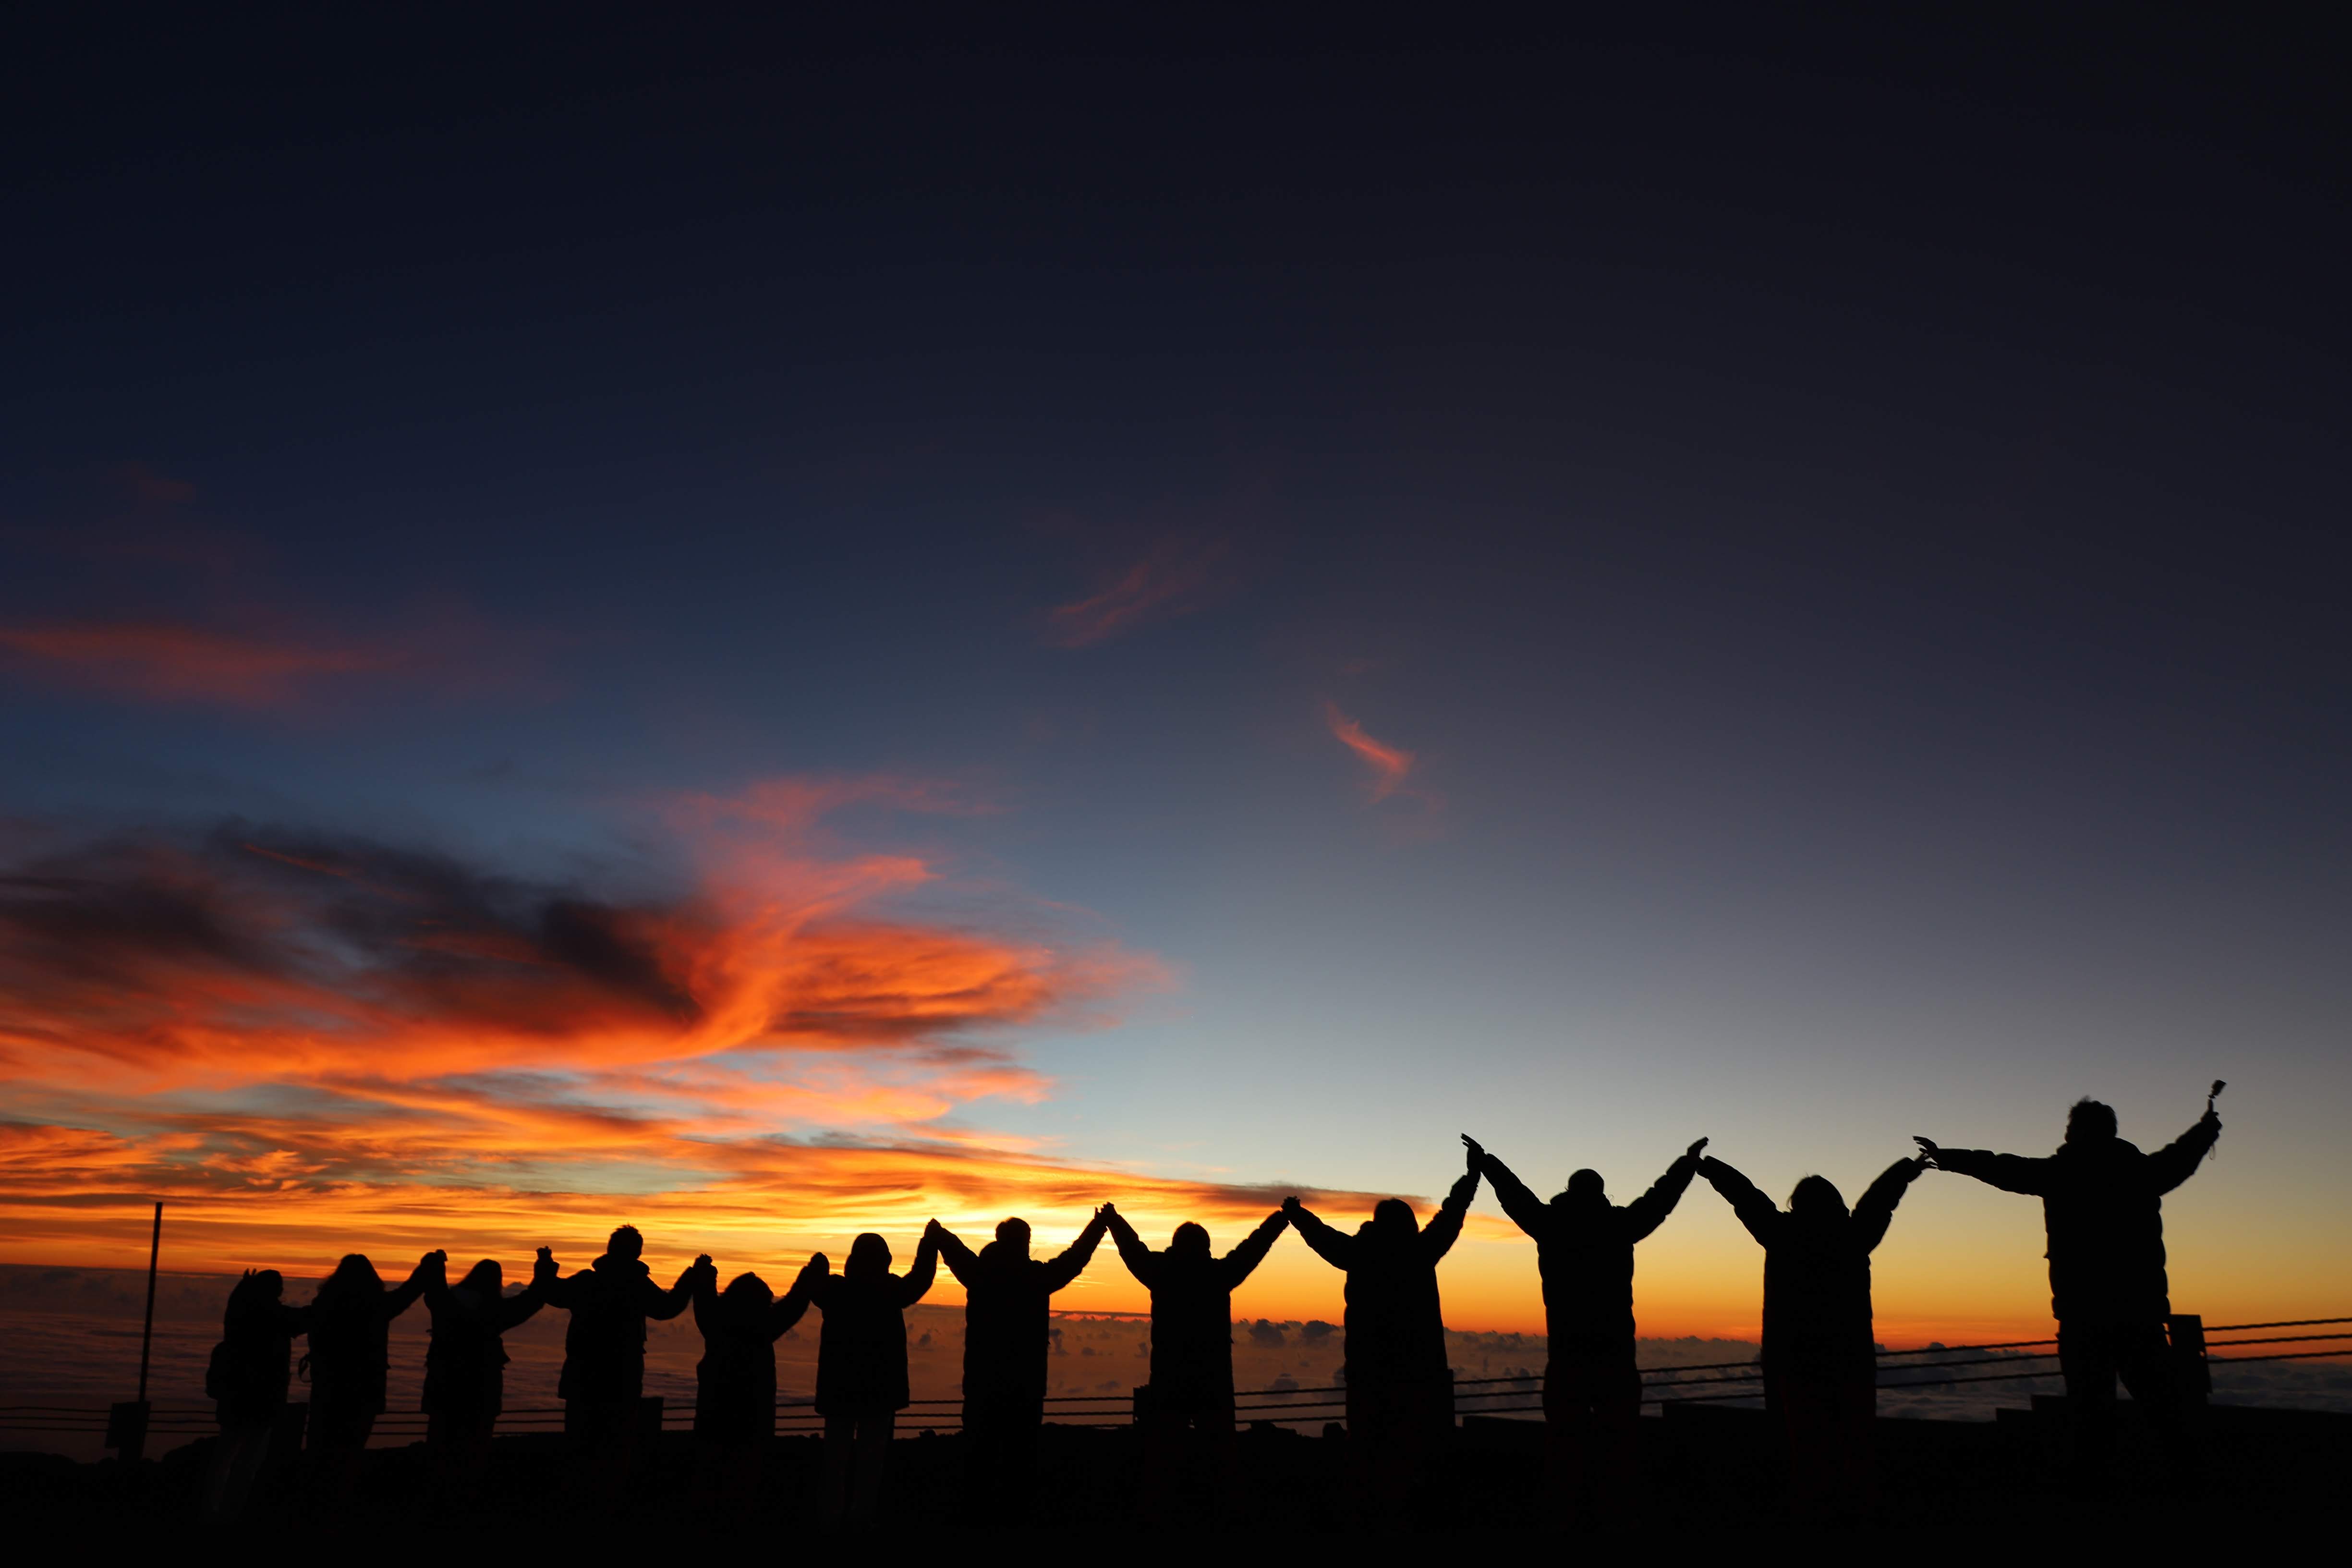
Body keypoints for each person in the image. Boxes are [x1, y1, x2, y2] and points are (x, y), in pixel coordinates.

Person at [1917, 1094, 2222, 1487]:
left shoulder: (2062, 1173)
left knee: (2091, 1412)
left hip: (2083, 1317)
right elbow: (2185, 1153)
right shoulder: (2142, 1172)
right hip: (2139, 1314)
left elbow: (2000, 1167)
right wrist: (2208, 1126)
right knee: (2163, 1409)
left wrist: (1948, 1157)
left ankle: (2093, 1483)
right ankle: (2190, 1478)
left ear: (2076, 1132)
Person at [1469, 1133, 1706, 1520]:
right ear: (1601, 1192)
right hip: (1615, 1351)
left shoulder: (1551, 1224)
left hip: (1567, 1352)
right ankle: (1619, 1509)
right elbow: (1660, 1200)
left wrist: (1486, 1162)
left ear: (1569, 1190)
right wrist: (1687, 1163)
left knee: (1565, 1439)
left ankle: (1566, 1511)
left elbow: (1516, 1196)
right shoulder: (1620, 1224)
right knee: (1620, 1440)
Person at [1698, 1148, 1925, 1521]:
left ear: (1796, 1204)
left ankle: (1810, 1514)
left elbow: (1747, 1197)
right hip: (1850, 1358)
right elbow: (1878, 1201)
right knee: (1854, 1441)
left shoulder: (1781, 1233)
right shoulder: (1853, 1235)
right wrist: (1908, 1167)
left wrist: (1709, 1167)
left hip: (1794, 1358)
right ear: (1835, 1203)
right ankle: (1856, 1511)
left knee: (1804, 1445)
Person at [1285, 1140, 1481, 1519]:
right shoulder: (1422, 1251)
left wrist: (1296, 1213)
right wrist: (1472, 1176)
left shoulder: (1358, 1254)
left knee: (1370, 1458)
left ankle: (1372, 1516)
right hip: (1422, 1375)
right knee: (1422, 1458)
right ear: (1409, 1225)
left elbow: (1321, 1235)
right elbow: (1452, 1211)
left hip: (1369, 1376)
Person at [1102, 1201, 1289, 1520]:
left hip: (1168, 1379)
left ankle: (1157, 1515)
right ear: (1206, 1247)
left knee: (1162, 1460)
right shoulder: (1219, 1274)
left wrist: (1113, 1220)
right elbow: (1254, 1246)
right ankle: (1223, 1514)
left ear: (1174, 1245)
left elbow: (1132, 1249)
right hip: (1212, 1381)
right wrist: (1282, 1218)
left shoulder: (1159, 1272)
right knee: (1220, 1459)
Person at [933, 1207, 1112, 1508]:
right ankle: (1017, 1512)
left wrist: (939, 1234)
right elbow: (1075, 1259)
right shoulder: (1036, 1277)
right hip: (1026, 1384)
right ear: (1024, 1242)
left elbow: (955, 1251)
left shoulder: (979, 1274)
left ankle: (975, 1511)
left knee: (980, 1455)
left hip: (982, 1382)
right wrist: (1098, 1226)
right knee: (1021, 1456)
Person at [540, 1226, 702, 1491]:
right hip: (621, 1379)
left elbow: (552, 1292)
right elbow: (667, 1308)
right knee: (615, 1448)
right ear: (637, 1253)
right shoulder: (637, 1286)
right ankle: (609, 1499)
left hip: (583, 1377)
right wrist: (692, 1277)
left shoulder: (588, 1282)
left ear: (610, 1249)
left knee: (581, 1445)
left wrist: (545, 1265)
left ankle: (578, 1498)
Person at [802, 1228, 942, 1525]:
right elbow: (919, 1280)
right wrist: (929, 1246)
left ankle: (830, 1518)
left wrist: (818, 1268)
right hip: (880, 1393)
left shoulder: (836, 1292)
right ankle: (862, 1519)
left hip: (839, 1391)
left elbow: (814, 1287)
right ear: (885, 1260)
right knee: (871, 1461)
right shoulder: (890, 1291)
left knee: (835, 1459)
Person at [303, 1250, 444, 1500]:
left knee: (322, 1445)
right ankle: (339, 1500)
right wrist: (428, 1267)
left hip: (328, 1386)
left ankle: (313, 1498)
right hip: (365, 1388)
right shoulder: (377, 1306)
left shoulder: (324, 1304)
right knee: (352, 1448)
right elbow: (409, 1292)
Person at [686, 1256, 823, 1511]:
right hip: (753, 1414)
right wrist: (811, 1274)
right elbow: (794, 1304)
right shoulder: (764, 1326)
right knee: (746, 1474)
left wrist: (705, 1273)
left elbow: (704, 1299)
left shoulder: (715, 1322)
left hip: (712, 1412)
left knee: (711, 1470)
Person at [421, 1248, 556, 1490]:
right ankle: (468, 1492)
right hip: (482, 1386)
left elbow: (434, 1289)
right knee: (476, 1442)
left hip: (443, 1383)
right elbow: (533, 1299)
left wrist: (438, 1263)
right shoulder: (496, 1312)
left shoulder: (446, 1305)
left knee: (441, 1439)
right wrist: (544, 1265)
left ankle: (434, 1492)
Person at [202, 1268, 310, 1524]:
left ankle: (210, 1511)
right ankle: (230, 1514)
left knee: (224, 1457)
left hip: (234, 1399)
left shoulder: (240, 1313)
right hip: (262, 1400)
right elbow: (300, 1319)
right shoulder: (271, 1314)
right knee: (247, 1462)